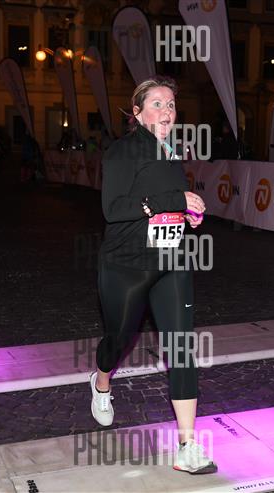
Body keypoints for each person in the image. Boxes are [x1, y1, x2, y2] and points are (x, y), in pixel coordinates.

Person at [89, 76, 214, 474]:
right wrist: (173, 199)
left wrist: (187, 213)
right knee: (119, 339)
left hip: (171, 262)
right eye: (157, 103)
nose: (167, 110)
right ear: (137, 112)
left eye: (171, 104)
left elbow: (167, 206)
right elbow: (114, 209)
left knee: (181, 347)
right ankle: (101, 381)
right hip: (127, 265)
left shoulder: (171, 152)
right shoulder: (123, 150)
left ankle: (188, 445)